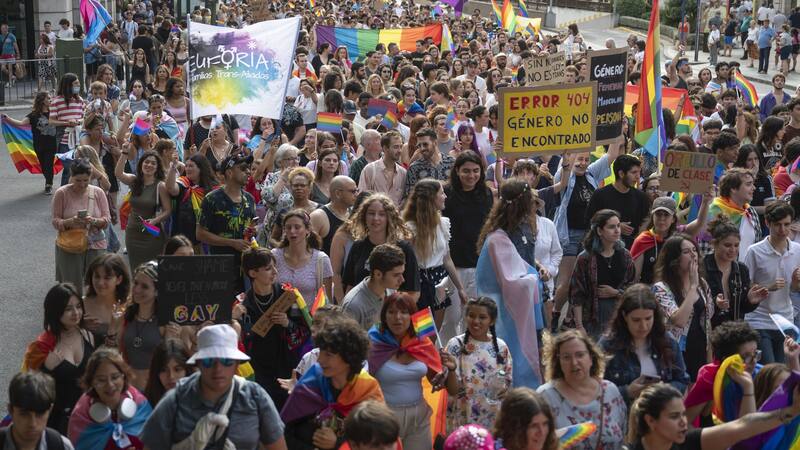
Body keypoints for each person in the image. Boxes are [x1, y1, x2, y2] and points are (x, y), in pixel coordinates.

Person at [140, 324, 288, 449]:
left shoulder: (255, 397)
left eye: (226, 361)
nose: (218, 369)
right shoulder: (175, 399)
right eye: (209, 361)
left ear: (237, 364)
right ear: (198, 363)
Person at [476, 179, 546, 388]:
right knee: (510, 357)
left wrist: (535, 267)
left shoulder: (524, 227)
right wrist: (532, 278)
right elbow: (512, 280)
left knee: (538, 351)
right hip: (506, 310)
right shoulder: (499, 237)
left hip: (528, 306)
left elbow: (522, 262)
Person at [281, 317, 383, 450]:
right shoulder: (311, 380)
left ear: (349, 357)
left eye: (328, 355)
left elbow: (377, 441)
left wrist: (338, 444)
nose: (320, 360)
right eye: (320, 352)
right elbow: (284, 432)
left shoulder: (368, 389)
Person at [551, 142, 620, 330]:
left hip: (589, 235)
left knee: (583, 280)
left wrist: (617, 133)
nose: (582, 163)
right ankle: (556, 312)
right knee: (566, 281)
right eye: (579, 159)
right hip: (569, 235)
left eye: (586, 159)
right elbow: (566, 169)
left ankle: (571, 318)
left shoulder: (591, 174)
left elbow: (612, 155)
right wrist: (576, 141)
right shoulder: (563, 175)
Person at [367, 293, 445, 449]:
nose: (398, 317)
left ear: (412, 316)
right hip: (383, 419)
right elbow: (363, 381)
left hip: (419, 419)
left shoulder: (422, 341)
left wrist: (447, 369)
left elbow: (436, 382)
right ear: (384, 316)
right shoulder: (374, 341)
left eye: (404, 312)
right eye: (392, 312)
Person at [626, 382, 800, 450]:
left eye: (683, 415)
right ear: (650, 420)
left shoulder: (689, 441)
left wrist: (791, 411)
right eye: (673, 416)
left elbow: (742, 426)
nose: (683, 422)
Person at [239, 247, 310, 410]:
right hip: (259, 374)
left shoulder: (288, 296)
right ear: (252, 273)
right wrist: (234, 319)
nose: (275, 272)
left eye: (274, 267)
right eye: (268, 268)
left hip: (287, 369)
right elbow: (238, 345)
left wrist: (288, 324)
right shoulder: (243, 305)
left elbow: (306, 332)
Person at [21, 283, 95, 434]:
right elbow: (28, 387)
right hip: (55, 422)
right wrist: (45, 368)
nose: (76, 313)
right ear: (55, 311)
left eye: (78, 306)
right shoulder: (42, 347)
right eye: (68, 309)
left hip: (86, 416)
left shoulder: (88, 336)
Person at [536, 329, 627, 450]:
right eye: (566, 357)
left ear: (591, 358)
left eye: (580, 355)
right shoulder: (546, 396)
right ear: (558, 362)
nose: (574, 362)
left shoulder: (611, 391)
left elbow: (624, 435)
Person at [599, 284, 689, 406]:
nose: (643, 326)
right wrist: (627, 392)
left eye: (648, 318)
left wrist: (663, 391)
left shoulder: (667, 340)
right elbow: (593, 390)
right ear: (625, 316)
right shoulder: (608, 345)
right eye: (636, 320)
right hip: (622, 418)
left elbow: (682, 380)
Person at [440, 151, 495, 341]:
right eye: (466, 171)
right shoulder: (446, 194)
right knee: (451, 317)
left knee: (472, 317)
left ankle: (469, 352)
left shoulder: (486, 194)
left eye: (475, 171)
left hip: (478, 265)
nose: (471, 176)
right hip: (451, 265)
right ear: (457, 171)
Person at [403, 179, 468, 325]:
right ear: (431, 197)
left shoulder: (443, 223)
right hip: (419, 283)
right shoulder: (410, 228)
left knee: (436, 331)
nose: (445, 196)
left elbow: (447, 259)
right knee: (423, 332)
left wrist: (460, 288)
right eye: (442, 193)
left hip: (440, 282)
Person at [441, 297, 512, 431]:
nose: (476, 321)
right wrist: (451, 370)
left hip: (492, 420)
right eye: (471, 316)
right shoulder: (455, 345)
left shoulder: (501, 347)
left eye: (482, 317)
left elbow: (506, 385)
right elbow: (452, 390)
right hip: (462, 420)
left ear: (492, 320)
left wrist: (503, 391)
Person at [744, 200, 800, 363]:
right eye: (777, 225)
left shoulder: (797, 250)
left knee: (783, 373)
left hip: (786, 321)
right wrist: (769, 287)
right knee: (769, 372)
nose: (782, 230)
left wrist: (796, 283)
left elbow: (795, 290)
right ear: (767, 223)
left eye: (786, 224)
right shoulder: (755, 251)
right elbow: (746, 285)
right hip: (759, 320)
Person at [67, 347, 153, 449]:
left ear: (123, 377)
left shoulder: (141, 406)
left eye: (115, 377)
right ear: (92, 382)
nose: (110, 385)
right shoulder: (81, 417)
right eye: (102, 380)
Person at [571, 209, 636, 338]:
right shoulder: (585, 258)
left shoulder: (625, 255)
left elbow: (632, 287)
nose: (617, 230)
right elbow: (576, 294)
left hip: (619, 317)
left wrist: (616, 292)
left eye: (618, 225)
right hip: (592, 320)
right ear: (599, 231)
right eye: (611, 227)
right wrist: (579, 327)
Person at [197, 153, 257, 290]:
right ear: (229, 173)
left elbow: (251, 228)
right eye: (243, 168)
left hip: (246, 267)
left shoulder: (249, 199)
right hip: (220, 267)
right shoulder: (212, 199)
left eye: (248, 168)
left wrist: (253, 231)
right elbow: (200, 234)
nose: (248, 171)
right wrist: (232, 243)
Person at [342, 194, 420, 299]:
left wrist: (391, 312)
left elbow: (414, 292)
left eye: (382, 214)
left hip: (392, 312)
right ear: (364, 216)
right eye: (371, 213)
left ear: (389, 217)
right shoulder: (358, 246)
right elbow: (349, 286)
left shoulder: (404, 248)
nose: (376, 218)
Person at [683, 320, 761, 426]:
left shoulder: (760, 373)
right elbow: (686, 422)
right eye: (746, 356)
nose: (754, 361)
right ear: (727, 360)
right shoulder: (710, 377)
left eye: (756, 353)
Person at [51, 159, 110, 297]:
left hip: (95, 243)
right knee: (71, 286)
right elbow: (55, 221)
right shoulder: (62, 193)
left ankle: (95, 312)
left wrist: (94, 221)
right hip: (70, 244)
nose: (82, 184)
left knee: (97, 284)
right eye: (78, 180)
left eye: (86, 180)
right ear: (71, 176)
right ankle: (73, 312)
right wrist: (70, 222)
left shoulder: (98, 192)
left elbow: (106, 220)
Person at [704, 215, 769, 326]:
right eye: (727, 245)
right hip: (708, 331)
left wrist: (750, 300)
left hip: (734, 331)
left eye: (736, 245)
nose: (733, 250)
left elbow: (742, 308)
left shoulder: (741, 270)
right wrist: (714, 303)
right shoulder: (702, 267)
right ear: (714, 244)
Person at [115, 150, 171, 270]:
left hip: (152, 234)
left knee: (152, 271)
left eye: (153, 163)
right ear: (141, 164)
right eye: (146, 162)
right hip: (132, 233)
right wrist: (124, 153)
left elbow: (168, 210)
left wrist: (155, 220)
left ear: (157, 168)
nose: (149, 165)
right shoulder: (134, 181)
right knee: (135, 269)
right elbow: (118, 173)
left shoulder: (160, 185)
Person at [585, 154, 650, 249]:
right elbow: (590, 222)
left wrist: (639, 238)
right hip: (604, 249)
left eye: (639, 172)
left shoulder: (641, 197)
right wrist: (616, 227)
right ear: (621, 174)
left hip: (632, 249)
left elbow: (646, 220)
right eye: (634, 172)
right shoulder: (600, 195)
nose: (638, 177)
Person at [0, 371, 74, 449]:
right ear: (11, 410)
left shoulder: (62, 446)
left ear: (50, 410)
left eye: (40, 414)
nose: (33, 424)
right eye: (24, 414)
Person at [272, 209, 333, 303]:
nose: (292, 231)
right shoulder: (274, 256)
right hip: (279, 316)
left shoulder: (321, 260)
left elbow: (327, 300)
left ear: (307, 230)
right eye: (288, 227)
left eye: (297, 227)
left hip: (311, 316)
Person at [342, 243, 407, 331]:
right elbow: (346, 342)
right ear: (378, 274)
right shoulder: (353, 306)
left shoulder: (391, 290)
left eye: (402, 273)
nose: (402, 280)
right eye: (396, 275)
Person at [3, 92, 58, 194]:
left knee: (49, 164)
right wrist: (8, 119)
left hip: (52, 144)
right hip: (39, 145)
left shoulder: (54, 113)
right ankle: (48, 180)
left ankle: (48, 185)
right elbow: (20, 123)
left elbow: (62, 122)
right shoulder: (33, 115)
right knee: (44, 166)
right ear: (42, 100)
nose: (51, 100)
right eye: (48, 98)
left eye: (51, 98)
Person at [707, 168, 761, 261]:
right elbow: (707, 247)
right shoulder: (714, 211)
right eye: (748, 184)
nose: (754, 188)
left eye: (753, 184)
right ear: (733, 189)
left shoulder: (750, 211)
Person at [165, 153, 216, 251]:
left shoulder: (214, 189)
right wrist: (173, 167)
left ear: (201, 168)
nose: (187, 169)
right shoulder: (183, 184)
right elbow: (171, 188)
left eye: (191, 166)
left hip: (205, 242)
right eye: (186, 166)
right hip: (182, 241)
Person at [82, 253, 130, 345]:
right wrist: (78, 325)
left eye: (107, 278)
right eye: (97, 276)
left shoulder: (130, 307)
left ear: (119, 279)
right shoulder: (80, 306)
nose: (100, 283)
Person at [310, 175, 357, 256]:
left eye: (357, 190)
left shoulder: (356, 214)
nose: (356, 194)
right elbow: (308, 250)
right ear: (338, 193)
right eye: (353, 191)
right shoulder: (318, 217)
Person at [358, 130, 407, 206]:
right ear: (385, 148)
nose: (400, 150)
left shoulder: (403, 173)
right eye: (396, 147)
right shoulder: (370, 170)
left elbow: (404, 200)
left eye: (401, 146)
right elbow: (362, 198)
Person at [403, 128, 455, 199]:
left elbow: (459, 188)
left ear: (435, 143)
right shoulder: (414, 168)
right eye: (419, 146)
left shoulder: (451, 163)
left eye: (425, 144)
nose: (422, 148)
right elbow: (409, 196)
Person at [142, 339, 194, 406]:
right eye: (164, 370)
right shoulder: (144, 404)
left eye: (177, 370)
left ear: (187, 370)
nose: (171, 376)